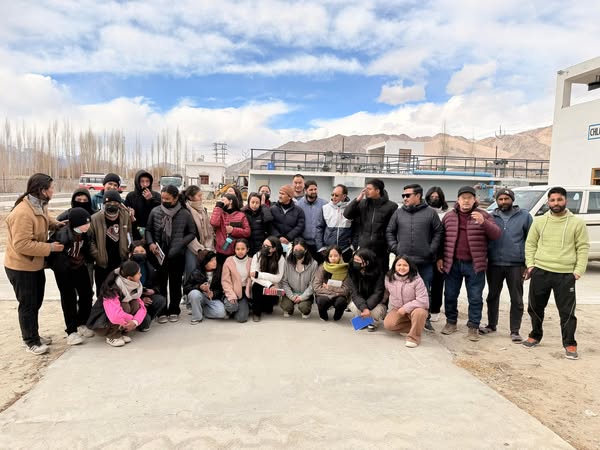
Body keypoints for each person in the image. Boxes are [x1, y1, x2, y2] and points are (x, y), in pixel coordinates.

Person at [522, 187, 589, 360]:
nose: (556, 203)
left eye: (559, 200)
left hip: (565, 274)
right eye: (552, 200)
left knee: (567, 312)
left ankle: (570, 343)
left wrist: (578, 271)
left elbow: (582, 247)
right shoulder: (539, 221)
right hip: (541, 271)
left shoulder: (577, 223)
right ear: (548, 202)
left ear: (566, 200)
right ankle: (535, 335)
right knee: (535, 307)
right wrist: (531, 265)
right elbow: (530, 244)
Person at [5, 173, 64, 355]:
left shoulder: (38, 205)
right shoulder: (22, 213)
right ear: (42, 190)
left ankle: (34, 334)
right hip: (21, 267)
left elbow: (44, 220)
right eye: (51, 188)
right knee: (28, 304)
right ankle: (30, 340)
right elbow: (22, 244)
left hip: (35, 265)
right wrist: (50, 248)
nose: (53, 190)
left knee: (35, 302)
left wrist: (57, 225)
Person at [438, 186, 501, 341]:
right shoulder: (449, 216)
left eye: (469, 198)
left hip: (475, 264)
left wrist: (483, 222)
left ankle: (473, 326)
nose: (466, 201)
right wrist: (440, 257)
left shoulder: (484, 215)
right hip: (452, 263)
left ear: (474, 200)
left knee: (475, 297)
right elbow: (441, 238)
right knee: (450, 295)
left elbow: (496, 234)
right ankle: (451, 322)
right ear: (458, 200)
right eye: (463, 198)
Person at [386, 183, 443, 332]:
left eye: (408, 195)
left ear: (418, 196)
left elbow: (438, 232)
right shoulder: (399, 213)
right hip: (403, 262)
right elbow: (390, 231)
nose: (404, 198)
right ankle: (404, 317)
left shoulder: (430, 213)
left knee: (425, 291)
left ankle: (425, 319)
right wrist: (395, 248)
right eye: (403, 195)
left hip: (424, 261)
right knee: (401, 290)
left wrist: (431, 250)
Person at [480, 188, 532, 342]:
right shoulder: (490, 216)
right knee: (492, 296)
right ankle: (491, 324)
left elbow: (531, 241)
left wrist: (528, 264)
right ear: (496, 201)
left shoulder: (524, 216)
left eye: (506, 199)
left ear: (512, 200)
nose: (503, 202)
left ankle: (515, 330)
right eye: (500, 199)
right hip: (494, 263)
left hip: (515, 264)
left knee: (516, 298)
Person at [146, 185, 196, 323]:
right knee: (160, 283)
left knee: (175, 284)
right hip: (159, 254)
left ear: (175, 198)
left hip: (177, 255)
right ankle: (161, 311)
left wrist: (180, 243)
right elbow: (148, 230)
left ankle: (174, 309)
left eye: (167, 198)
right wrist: (150, 243)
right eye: (162, 198)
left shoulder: (185, 213)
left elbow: (192, 233)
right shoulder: (155, 211)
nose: (164, 200)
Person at [48, 207, 95, 346]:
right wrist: (58, 267)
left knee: (87, 294)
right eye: (84, 223)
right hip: (64, 271)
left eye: (88, 223)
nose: (87, 226)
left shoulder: (85, 234)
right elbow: (51, 255)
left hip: (79, 267)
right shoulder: (62, 235)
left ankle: (82, 323)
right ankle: (71, 331)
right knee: (69, 299)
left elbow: (85, 249)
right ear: (75, 224)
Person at [87, 261, 147, 347]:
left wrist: (135, 321)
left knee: (135, 303)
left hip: (117, 319)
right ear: (129, 278)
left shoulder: (133, 285)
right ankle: (112, 336)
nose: (140, 275)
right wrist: (131, 320)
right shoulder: (112, 288)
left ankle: (120, 333)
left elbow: (142, 307)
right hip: (101, 323)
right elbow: (114, 316)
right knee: (125, 307)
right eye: (138, 273)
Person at [343, 178, 397, 272]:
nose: (366, 191)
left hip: (381, 250)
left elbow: (393, 229)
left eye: (369, 189)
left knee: (381, 275)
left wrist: (389, 247)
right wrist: (357, 200)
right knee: (363, 274)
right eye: (365, 188)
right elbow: (347, 214)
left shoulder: (391, 206)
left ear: (377, 190)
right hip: (364, 247)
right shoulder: (363, 204)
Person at [89, 190, 133, 293]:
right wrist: (97, 255)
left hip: (120, 262)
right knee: (102, 292)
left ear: (119, 203)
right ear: (104, 203)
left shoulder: (125, 216)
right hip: (103, 264)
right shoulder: (95, 219)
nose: (112, 205)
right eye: (109, 202)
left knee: (120, 293)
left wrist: (129, 248)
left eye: (115, 202)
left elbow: (129, 233)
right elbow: (90, 240)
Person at [383, 255, 430, 348]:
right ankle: (416, 326)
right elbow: (385, 294)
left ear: (410, 266)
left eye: (405, 265)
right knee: (388, 325)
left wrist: (405, 308)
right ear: (394, 266)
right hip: (398, 309)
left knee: (420, 313)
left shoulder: (417, 279)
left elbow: (424, 301)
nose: (401, 268)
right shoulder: (389, 278)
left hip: (415, 309)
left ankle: (414, 338)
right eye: (399, 265)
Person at [129, 241, 167, 331]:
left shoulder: (149, 264)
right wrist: (141, 299)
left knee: (161, 300)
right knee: (145, 324)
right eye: (136, 252)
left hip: (147, 295)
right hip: (133, 301)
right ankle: (141, 319)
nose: (140, 254)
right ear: (131, 254)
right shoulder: (127, 268)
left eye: (142, 251)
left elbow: (157, 283)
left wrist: (154, 290)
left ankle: (146, 316)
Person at [425, 186, 449, 322]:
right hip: (423, 253)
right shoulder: (422, 211)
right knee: (422, 283)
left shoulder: (446, 214)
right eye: (431, 197)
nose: (434, 199)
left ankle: (435, 310)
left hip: (440, 254)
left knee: (438, 284)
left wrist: (440, 256)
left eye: (437, 197)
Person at [347, 248, 387, 331]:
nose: (355, 262)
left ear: (367, 262)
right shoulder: (352, 271)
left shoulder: (378, 273)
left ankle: (371, 321)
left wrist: (366, 308)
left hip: (376, 303)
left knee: (376, 311)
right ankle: (365, 319)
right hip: (361, 301)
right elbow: (354, 293)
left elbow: (378, 293)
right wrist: (364, 308)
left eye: (358, 260)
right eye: (354, 259)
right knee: (354, 306)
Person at [184, 250, 227, 324]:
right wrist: (199, 287)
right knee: (194, 294)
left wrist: (213, 293)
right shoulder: (196, 272)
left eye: (215, 259)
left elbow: (221, 288)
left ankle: (201, 310)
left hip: (212, 298)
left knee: (222, 313)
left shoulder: (219, 270)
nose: (215, 262)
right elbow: (186, 288)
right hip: (200, 296)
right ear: (204, 263)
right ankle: (197, 317)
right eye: (211, 261)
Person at [250, 236, 286, 322]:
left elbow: (278, 277)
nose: (264, 247)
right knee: (256, 286)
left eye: (267, 246)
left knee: (268, 310)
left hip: (274, 286)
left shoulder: (280, 258)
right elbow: (253, 276)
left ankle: (267, 303)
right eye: (263, 245)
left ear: (274, 248)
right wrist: (269, 284)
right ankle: (256, 313)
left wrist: (259, 274)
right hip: (264, 284)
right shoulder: (257, 255)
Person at [280, 238, 319, 318]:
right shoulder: (287, 262)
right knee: (286, 307)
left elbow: (313, 284)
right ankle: (290, 309)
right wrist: (291, 296)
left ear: (305, 250)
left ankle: (306, 310)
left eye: (300, 250)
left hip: (305, 293)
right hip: (291, 292)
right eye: (296, 249)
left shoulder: (314, 263)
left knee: (304, 308)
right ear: (292, 250)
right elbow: (284, 282)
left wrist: (302, 297)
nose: (298, 252)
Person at [316, 184, 355, 262]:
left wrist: (353, 246)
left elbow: (356, 229)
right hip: (328, 250)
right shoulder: (325, 208)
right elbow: (319, 228)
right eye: (332, 194)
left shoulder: (351, 209)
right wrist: (320, 247)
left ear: (344, 196)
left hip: (346, 250)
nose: (333, 197)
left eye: (336, 195)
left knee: (344, 273)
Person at [210, 193, 251, 267]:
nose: (221, 201)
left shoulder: (241, 215)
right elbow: (214, 223)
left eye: (223, 200)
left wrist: (233, 230)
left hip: (235, 251)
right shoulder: (220, 213)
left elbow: (247, 232)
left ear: (230, 201)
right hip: (221, 250)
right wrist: (217, 208)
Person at [183, 185, 215, 277]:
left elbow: (208, 229)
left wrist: (208, 248)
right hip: (192, 248)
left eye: (201, 195)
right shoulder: (186, 211)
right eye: (199, 196)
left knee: (203, 274)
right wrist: (199, 250)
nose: (201, 198)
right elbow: (187, 233)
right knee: (191, 272)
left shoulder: (202, 210)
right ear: (190, 197)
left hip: (204, 247)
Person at [313, 245, 351, 321]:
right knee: (321, 301)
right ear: (327, 257)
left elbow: (346, 289)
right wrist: (334, 292)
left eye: (336, 256)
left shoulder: (345, 269)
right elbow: (316, 287)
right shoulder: (322, 267)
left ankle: (337, 316)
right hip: (324, 294)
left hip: (338, 295)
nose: (333, 258)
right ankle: (323, 316)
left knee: (341, 302)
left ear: (340, 256)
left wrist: (329, 288)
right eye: (330, 256)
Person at [221, 239, 252, 323]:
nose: (240, 251)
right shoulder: (229, 261)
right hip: (232, 291)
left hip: (244, 293)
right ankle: (230, 308)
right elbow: (225, 281)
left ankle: (243, 307)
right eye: (237, 249)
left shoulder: (251, 261)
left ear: (247, 249)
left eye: (243, 249)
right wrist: (231, 295)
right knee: (232, 306)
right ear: (234, 250)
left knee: (242, 318)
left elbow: (252, 278)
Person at [296, 180, 327, 263]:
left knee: (320, 266)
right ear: (305, 191)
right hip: (304, 243)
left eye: (315, 189)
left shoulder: (324, 204)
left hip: (320, 244)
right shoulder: (299, 205)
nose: (314, 191)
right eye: (311, 190)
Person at [124, 170, 161, 239]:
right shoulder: (131, 196)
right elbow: (125, 213)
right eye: (142, 181)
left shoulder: (156, 195)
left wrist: (151, 200)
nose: (145, 184)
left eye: (147, 181)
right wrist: (130, 212)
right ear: (137, 182)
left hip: (152, 231)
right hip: (135, 230)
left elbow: (159, 213)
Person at [270, 185, 305, 253]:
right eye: (279, 193)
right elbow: (270, 225)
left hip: (291, 243)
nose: (280, 196)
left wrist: (288, 237)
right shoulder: (272, 209)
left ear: (289, 197)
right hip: (276, 242)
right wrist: (279, 237)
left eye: (282, 194)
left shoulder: (298, 211)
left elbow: (300, 226)